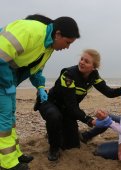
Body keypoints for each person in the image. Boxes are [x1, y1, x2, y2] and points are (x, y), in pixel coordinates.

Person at [0, 14, 80, 169]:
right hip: (3, 78)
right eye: (68, 42)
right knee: (3, 120)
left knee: (10, 116)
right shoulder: (30, 30)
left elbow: (35, 71)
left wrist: (40, 87)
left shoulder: (48, 47)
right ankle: (8, 163)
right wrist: (6, 83)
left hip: (7, 80)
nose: (67, 47)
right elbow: (1, 54)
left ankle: (15, 153)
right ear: (58, 34)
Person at [34, 49, 121, 161]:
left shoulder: (94, 76)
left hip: (67, 110)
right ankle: (54, 148)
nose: (82, 62)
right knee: (54, 117)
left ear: (93, 67)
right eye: (82, 59)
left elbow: (109, 93)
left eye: (86, 61)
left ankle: (56, 132)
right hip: (51, 104)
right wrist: (90, 120)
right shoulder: (68, 75)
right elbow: (72, 106)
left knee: (72, 145)